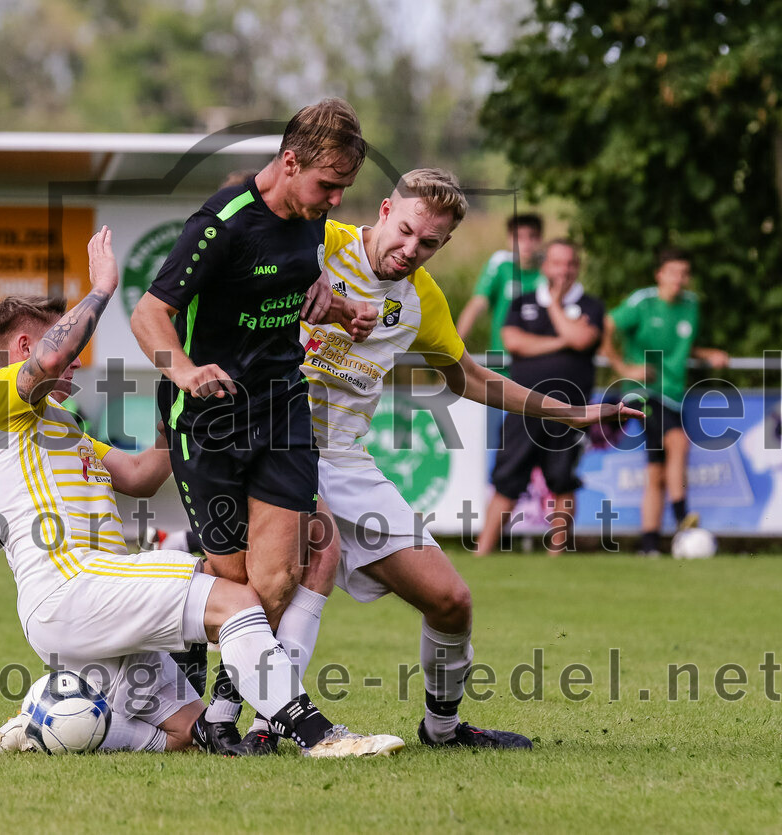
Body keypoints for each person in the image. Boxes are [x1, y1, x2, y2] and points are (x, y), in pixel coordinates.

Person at [216, 169, 642, 753]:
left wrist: (573, 415)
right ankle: (254, 723)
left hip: (345, 460)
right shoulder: (319, 243)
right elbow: (239, 259)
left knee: (451, 601)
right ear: (386, 210)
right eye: (408, 231)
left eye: (430, 244)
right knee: (294, 569)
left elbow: (467, 377)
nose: (411, 250)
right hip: (272, 443)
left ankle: (442, 729)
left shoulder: (421, 300)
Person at [0, 228, 403, 759]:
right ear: (21, 349)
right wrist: (103, 286)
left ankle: (38, 731)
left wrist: (182, 402)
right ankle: (316, 735)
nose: (78, 360)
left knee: (188, 737)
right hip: (73, 586)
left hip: (96, 605)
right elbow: (55, 360)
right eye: (65, 342)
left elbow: (139, 475)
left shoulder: (60, 425)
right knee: (235, 595)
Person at [130, 98, 377, 753]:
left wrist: (333, 301)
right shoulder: (221, 223)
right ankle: (173, 649)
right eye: (328, 185)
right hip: (208, 420)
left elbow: (297, 280)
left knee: (273, 580)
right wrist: (181, 369)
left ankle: (223, 713)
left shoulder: (308, 216)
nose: (334, 200)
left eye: (344, 189)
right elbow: (148, 314)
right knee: (235, 587)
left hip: (283, 407)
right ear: (289, 162)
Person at [475, 240, 605, 555]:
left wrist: (556, 306)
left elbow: (583, 338)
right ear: (545, 266)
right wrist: (563, 340)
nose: (564, 270)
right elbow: (513, 342)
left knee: (562, 479)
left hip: (570, 410)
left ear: (578, 268)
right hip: (523, 407)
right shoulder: (522, 302)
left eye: (571, 264)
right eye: (558, 263)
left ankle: (556, 556)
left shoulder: (591, 305)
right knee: (507, 478)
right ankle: (482, 552)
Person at [602, 248, 729, 555]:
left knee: (657, 472)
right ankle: (683, 516)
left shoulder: (691, 306)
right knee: (678, 442)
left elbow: (679, 344)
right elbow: (606, 325)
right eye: (673, 272)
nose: (679, 279)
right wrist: (623, 368)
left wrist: (705, 353)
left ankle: (649, 546)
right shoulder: (642, 302)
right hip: (641, 392)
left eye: (684, 273)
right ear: (660, 274)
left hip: (673, 395)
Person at [456, 213, 545, 366]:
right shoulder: (500, 264)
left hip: (539, 361)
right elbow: (477, 304)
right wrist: (455, 346)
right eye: (519, 237)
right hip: (501, 359)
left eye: (532, 237)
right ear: (509, 239)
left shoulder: (551, 269)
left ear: (540, 239)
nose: (526, 243)